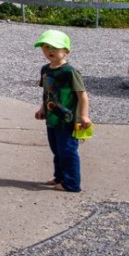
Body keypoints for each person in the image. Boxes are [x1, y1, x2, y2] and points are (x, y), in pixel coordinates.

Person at [34, 29, 89, 192]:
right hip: (52, 118)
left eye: (54, 47)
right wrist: (43, 108)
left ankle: (71, 183)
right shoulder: (46, 69)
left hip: (68, 120)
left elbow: (82, 96)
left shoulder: (70, 72)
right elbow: (48, 93)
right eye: (45, 46)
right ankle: (60, 177)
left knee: (67, 151)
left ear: (66, 51)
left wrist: (84, 116)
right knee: (56, 149)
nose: (49, 50)